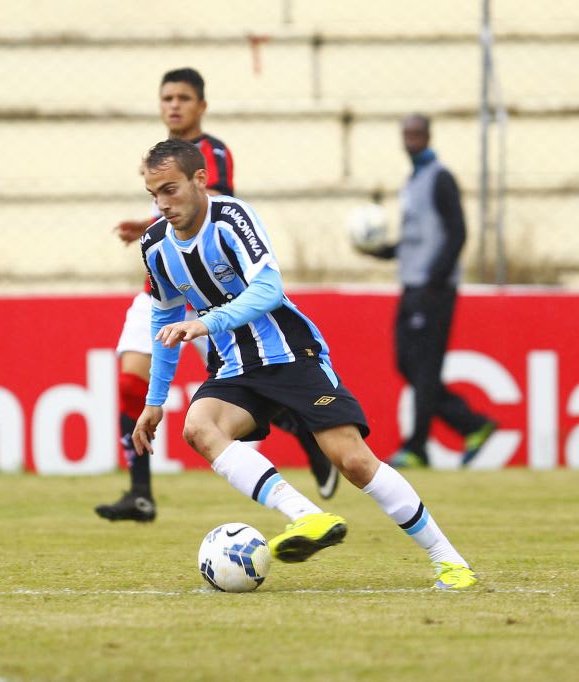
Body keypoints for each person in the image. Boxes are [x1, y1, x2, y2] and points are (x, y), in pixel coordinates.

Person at [131, 138, 479, 590]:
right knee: (198, 427)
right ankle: (307, 516)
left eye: (170, 190)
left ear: (200, 180)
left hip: (291, 354)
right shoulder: (155, 245)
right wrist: (155, 400)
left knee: (353, 462)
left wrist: (207, 323)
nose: (162, 204)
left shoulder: (232, 217)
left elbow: (269, 289)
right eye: (153, 194)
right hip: (235, 366)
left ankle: (449, 561)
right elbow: (163, 318)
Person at [96, 68, 338, 523]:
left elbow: (205, 215)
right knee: (132, 379)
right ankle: (141, 493)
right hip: (168, 289)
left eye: (183, 98)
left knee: (251, 380)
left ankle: (307, 428)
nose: (173, 105)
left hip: (217, 293)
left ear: (201, 106)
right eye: (166, 97)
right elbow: (169, 228)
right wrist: (146, 229)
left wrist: (151, 227)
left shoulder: (212, 153)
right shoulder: (159, 160)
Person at [358, 113, 496, 468]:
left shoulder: (440, 178)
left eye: (417, 133)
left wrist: (436, 278)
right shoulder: (413, 181)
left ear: (428, 136)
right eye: (407, 134)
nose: (411, 139)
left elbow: (458, 232)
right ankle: (473, 425)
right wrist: (382, 250)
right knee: (408, 364)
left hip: (433, 289)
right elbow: (413, 240)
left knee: (424, 368)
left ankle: (417, 447)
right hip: (413, 284)